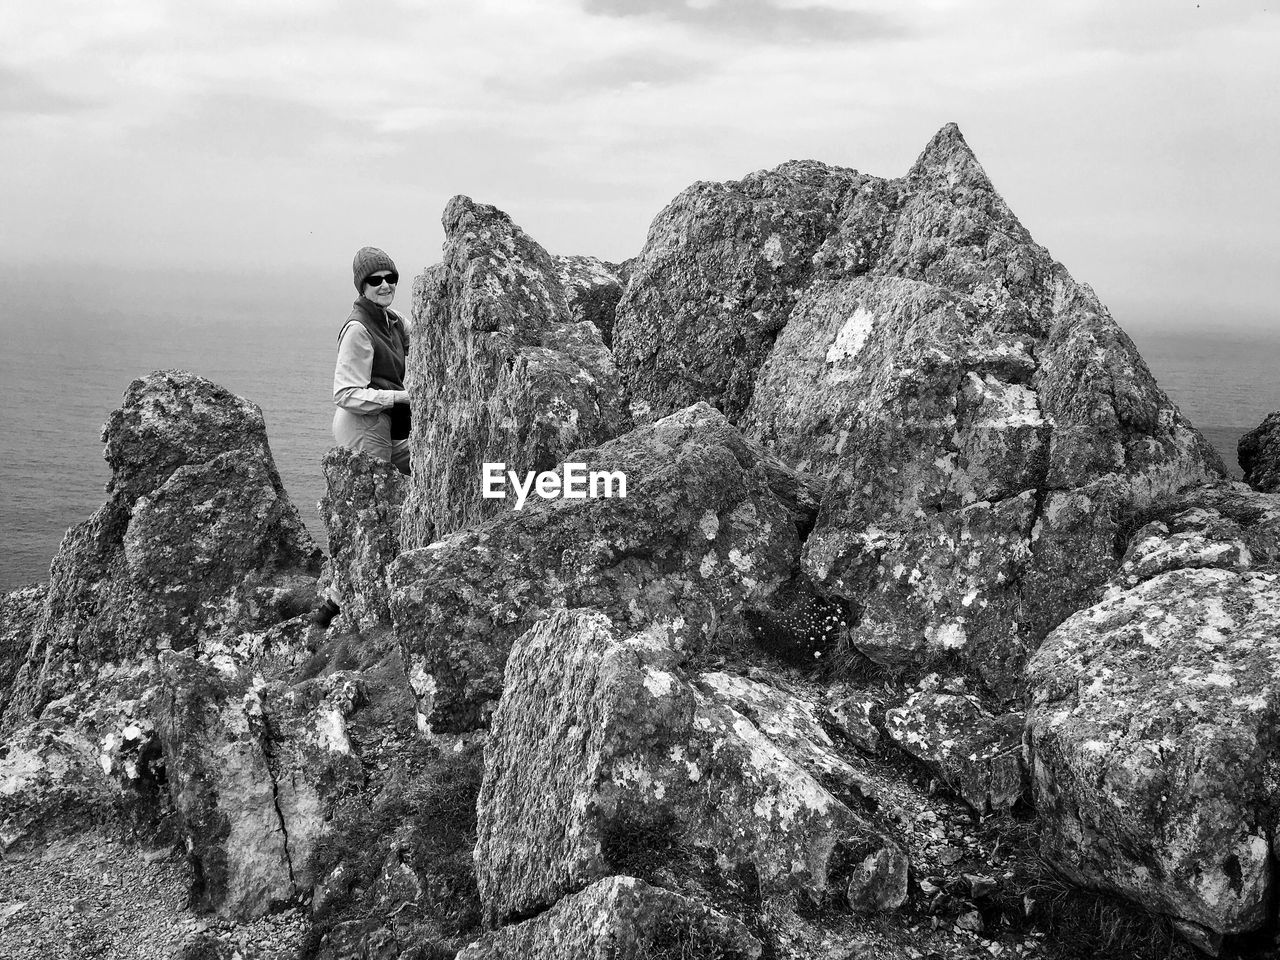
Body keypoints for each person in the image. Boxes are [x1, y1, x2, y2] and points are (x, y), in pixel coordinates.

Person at [310, 245, 412, 628]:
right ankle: (334, 601)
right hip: (362, 427)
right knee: (366, 517)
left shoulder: (392, 320)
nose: (385, 285)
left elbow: (423, 344)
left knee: (427, 468)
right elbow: (344, 393)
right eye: (375, 280)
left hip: (385, 426)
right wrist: (401, 396)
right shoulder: (357, 329)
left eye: (391, 278)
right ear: (361, 285)